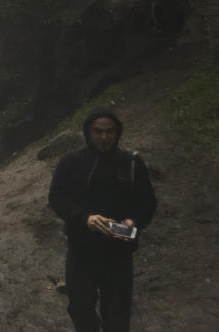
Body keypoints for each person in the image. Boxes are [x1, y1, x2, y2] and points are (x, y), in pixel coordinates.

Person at [48, 107, 156, 332]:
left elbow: (148, 203)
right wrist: (84, 218)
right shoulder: (71, 162)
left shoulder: (132, 164)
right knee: (81, 310)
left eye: (109, 131)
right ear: (88, 132)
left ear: (118, 133)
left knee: (117, 315)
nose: (104, 137)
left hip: (118, 251)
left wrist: (133, 221)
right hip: (81, 249)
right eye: (98, 131)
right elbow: (56, 197)